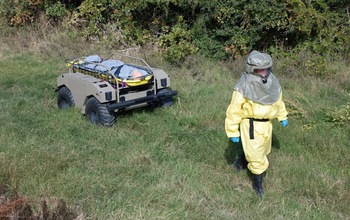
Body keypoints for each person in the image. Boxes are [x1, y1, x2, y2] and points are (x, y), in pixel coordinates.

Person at [225, 50, 288, 196]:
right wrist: (233, 130)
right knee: (257, 157)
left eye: (266, 68)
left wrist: (282, 115)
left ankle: (240, 162)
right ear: (252, 69)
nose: (264, 71)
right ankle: (258, 187)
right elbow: (234, 109)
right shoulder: (244, 85)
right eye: (260, 69)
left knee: (263, 150)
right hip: (251, 125)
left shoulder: (272, 81)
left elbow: (278, 101)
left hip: (267, 126)